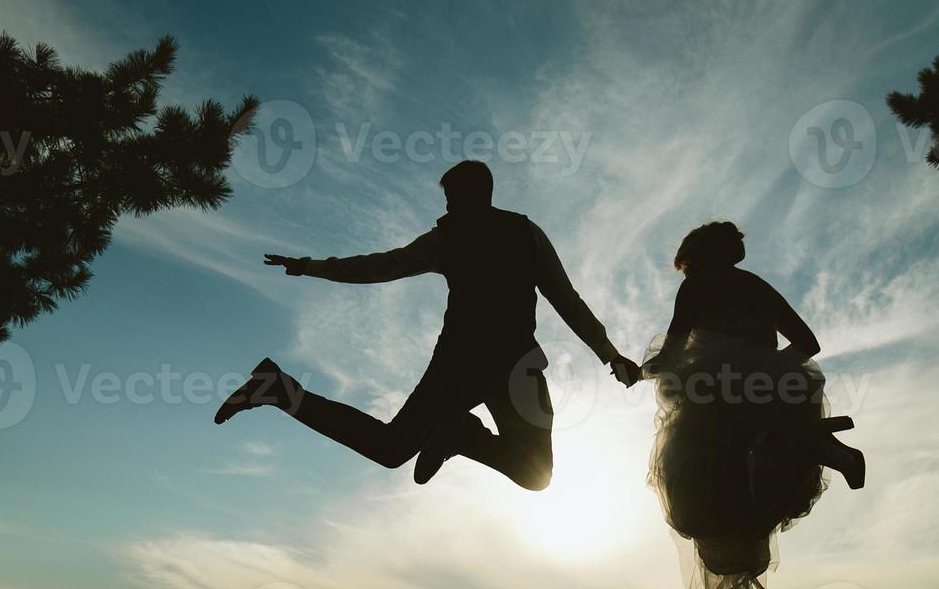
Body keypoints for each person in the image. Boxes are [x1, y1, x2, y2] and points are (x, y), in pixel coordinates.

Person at [215, 160, 640, 490]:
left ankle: (458, 434)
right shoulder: (490, 234)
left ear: (476, 195)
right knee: (405, 450)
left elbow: (564, 299)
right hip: (492, 365)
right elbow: (382, 266)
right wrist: (311, 267)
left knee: (532, 474)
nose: (449, 208)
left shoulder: (485, 235)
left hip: (494, 366)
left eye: (453, 199)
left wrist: (610, 354)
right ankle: (279, 390)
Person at [638, 220, 864, 589]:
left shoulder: (697, 286)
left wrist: (649, 368)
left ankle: (746, 512)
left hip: (714, 389)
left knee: (696, 470)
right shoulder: (757, 285)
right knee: (767, 446)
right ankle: (830, 450)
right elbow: (808, 343)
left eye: (686, 267)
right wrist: (770, 366)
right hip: (771, 388)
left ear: (695, 260)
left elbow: (673, 346)